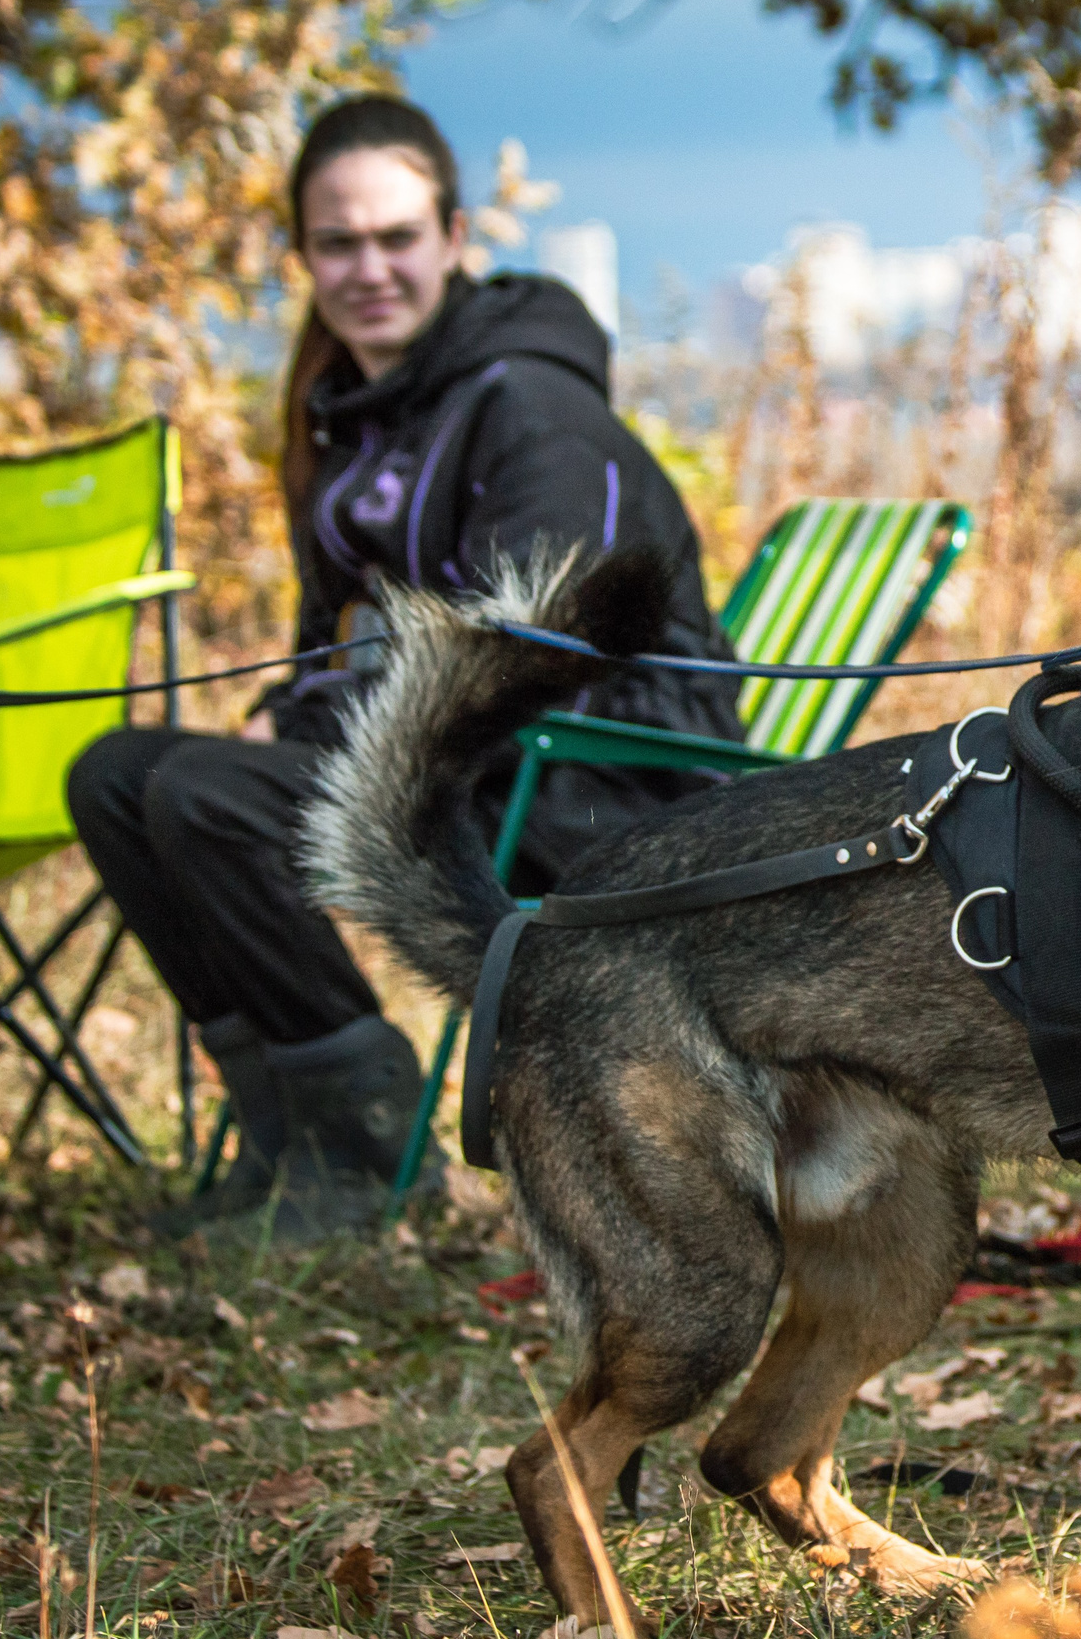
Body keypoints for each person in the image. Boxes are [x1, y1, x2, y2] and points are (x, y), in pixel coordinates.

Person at [69, 96, 742, 1244]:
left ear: (454, 236)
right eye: (339, 242)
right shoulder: (360, 414)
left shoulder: (530, 407)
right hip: (468, 759)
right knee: (117, 773)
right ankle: (288, 1133)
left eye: (396, 237)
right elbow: (342, 637)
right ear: (304, 256)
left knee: (209, 799)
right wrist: (297, 714)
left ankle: (367, 1152)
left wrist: (309, 736)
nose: (369, 267)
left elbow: (533, 653)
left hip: (601, 778)